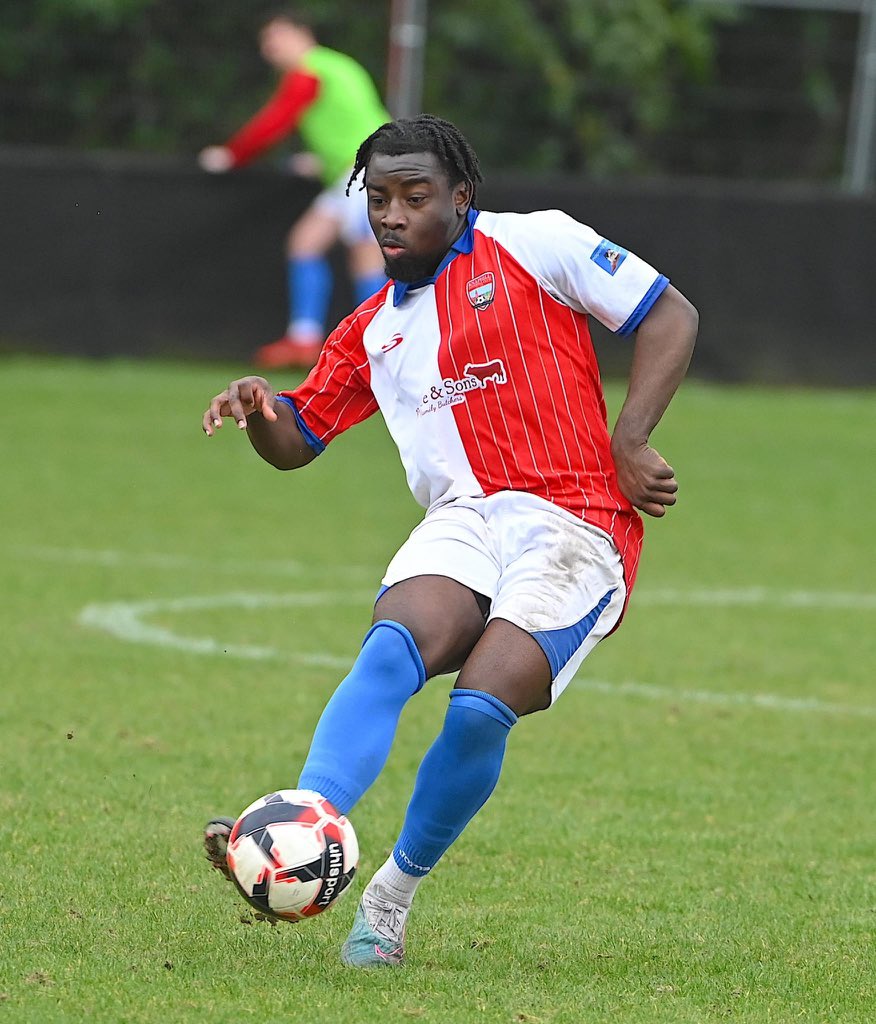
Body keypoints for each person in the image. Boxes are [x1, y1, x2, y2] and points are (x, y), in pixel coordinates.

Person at [201, 114, 699, 968]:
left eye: (414, 197)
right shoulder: (372, 331)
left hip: (578, 520)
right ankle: (303, 825)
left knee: (478, 704)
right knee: (392, 649)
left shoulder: (538, 245)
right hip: (464, 518)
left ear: (460, 199)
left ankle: (389, 900)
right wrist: (261, 410)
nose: (390, 216)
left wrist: (630, 438)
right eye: (378, 199)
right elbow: (297, 441)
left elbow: (669, 315)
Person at [199, 9, 389, 370]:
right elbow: (358, 119)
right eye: (266, 43)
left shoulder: (308, 71)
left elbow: (277, 119)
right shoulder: (339, 66)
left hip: (368, 170)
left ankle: (379, 344)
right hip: (360, 168)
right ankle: (305, 340)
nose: (270, 49)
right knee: (306, 242)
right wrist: (324, 159)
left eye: (276, 38)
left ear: (302, 35)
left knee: (365, 256)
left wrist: (232, 154)